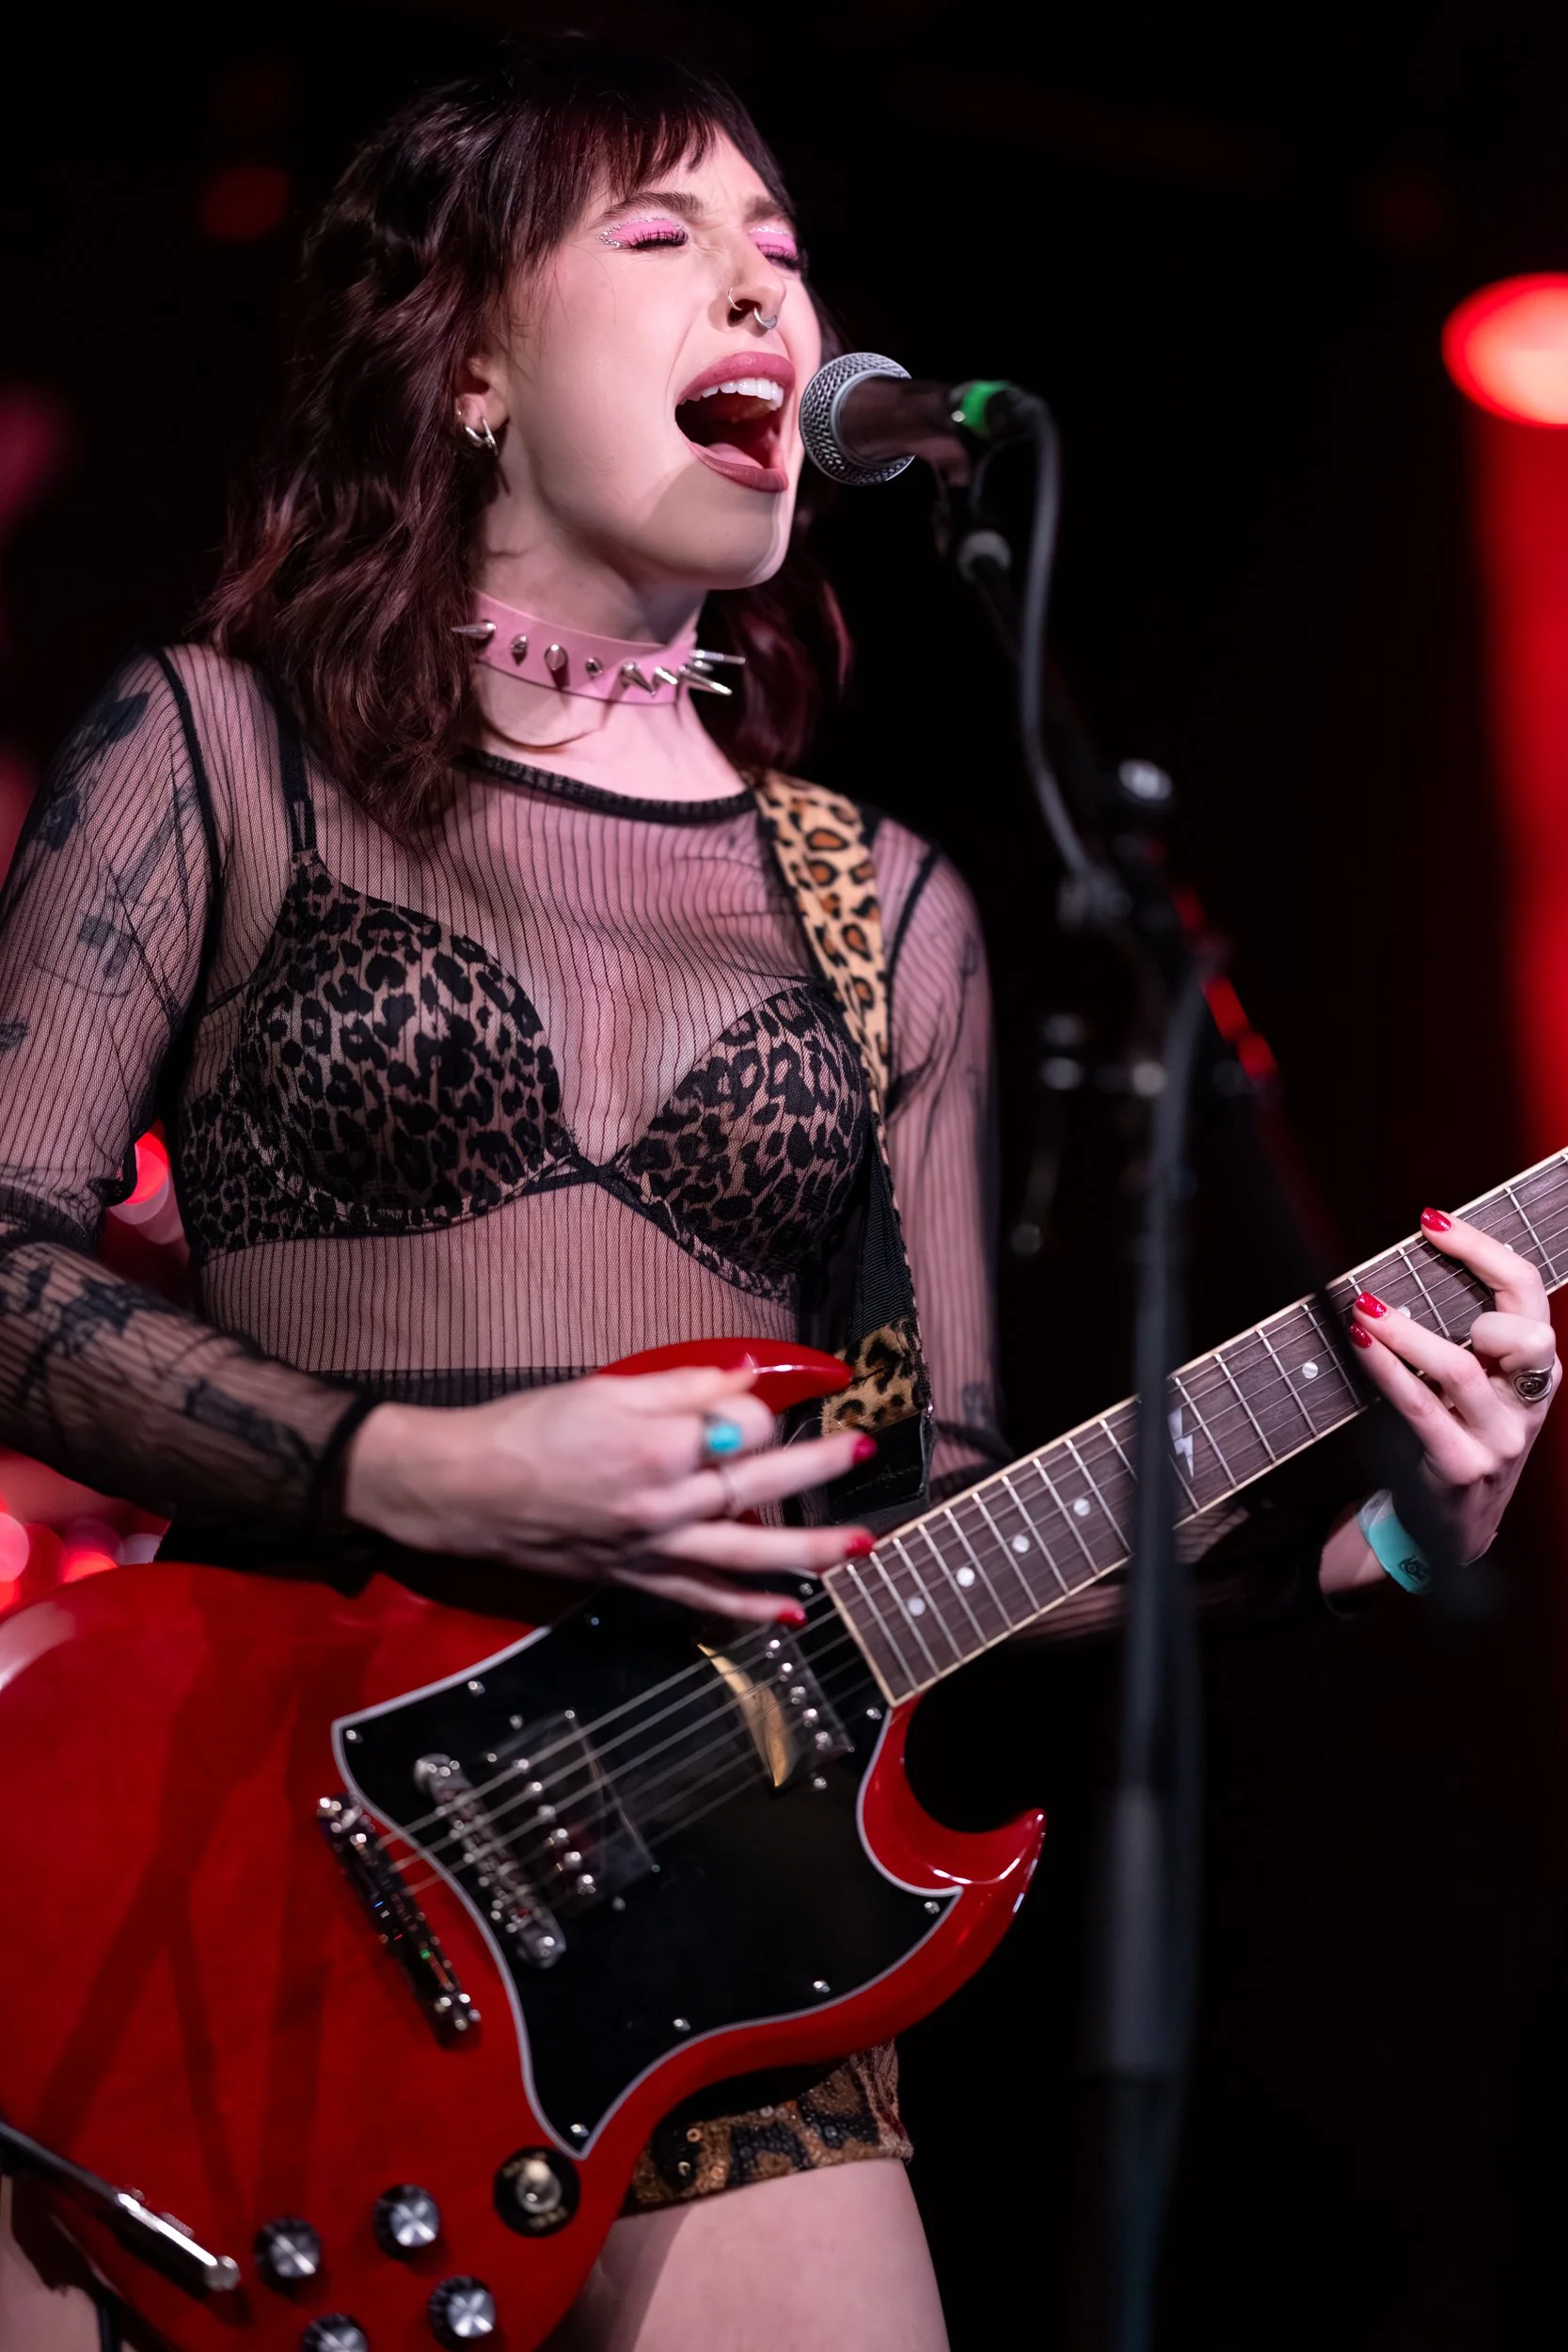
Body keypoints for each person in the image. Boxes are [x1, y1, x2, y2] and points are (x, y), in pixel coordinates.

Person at [0, 39, 1557, 2352]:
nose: (760, 288)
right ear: (469, 369)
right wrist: (419, 1464)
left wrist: (1355, 1538)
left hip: (705, 1928)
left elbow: (938, 1524)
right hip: (229, 1877)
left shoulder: (883, 903)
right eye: (663, 235)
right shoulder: (221, 750)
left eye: (784, 250)